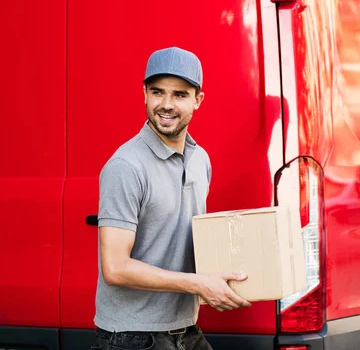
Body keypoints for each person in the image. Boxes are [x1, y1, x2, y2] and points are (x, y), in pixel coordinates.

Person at [93, 47, 251, 350]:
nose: (166, 105)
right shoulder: (125, 167)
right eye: (157, 92)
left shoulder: (199, 159)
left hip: (185, 330)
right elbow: (114, 267)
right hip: (130, 338)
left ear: (198, 100)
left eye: (179, 94)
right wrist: (199, 284)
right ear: (144, 94)